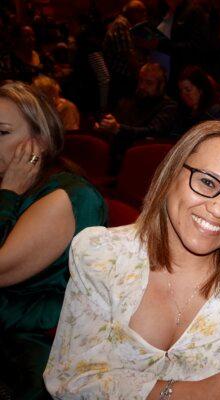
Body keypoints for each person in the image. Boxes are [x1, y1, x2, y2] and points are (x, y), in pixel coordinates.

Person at [44, 121, 220, 400]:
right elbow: (70, 379)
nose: (219, 209)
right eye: (207, 182)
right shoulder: (103, 254)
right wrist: (191, 393)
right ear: (172, 173)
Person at [0, 82, 106, 399]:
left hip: (31, 353)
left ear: (41, 141)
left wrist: (9, 193)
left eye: (2, 132)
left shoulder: (69, 195)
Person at [94, 62, 177, 172]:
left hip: (145, 163)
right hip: (117, 159)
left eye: (148, 83)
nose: (142, 86)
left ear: (161, 85)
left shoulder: (168, 106)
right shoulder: (129, 101)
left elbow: (152, 131)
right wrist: (104, 125)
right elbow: (112, 119)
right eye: (140, 81)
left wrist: (118, 129)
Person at [103, 0, 148, 104]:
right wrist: (140, 75)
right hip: (121, 77)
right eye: (142, 12)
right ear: (133, 13)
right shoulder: (121, 25)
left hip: (121, 76)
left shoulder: (126, 24)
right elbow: (127, 54)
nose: (144, 16)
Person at [171, 65, 220, 137]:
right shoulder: (182, 112)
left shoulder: (214, 112)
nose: (183, 94)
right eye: (181, 91)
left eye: (188, 90)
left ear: (200, 89)